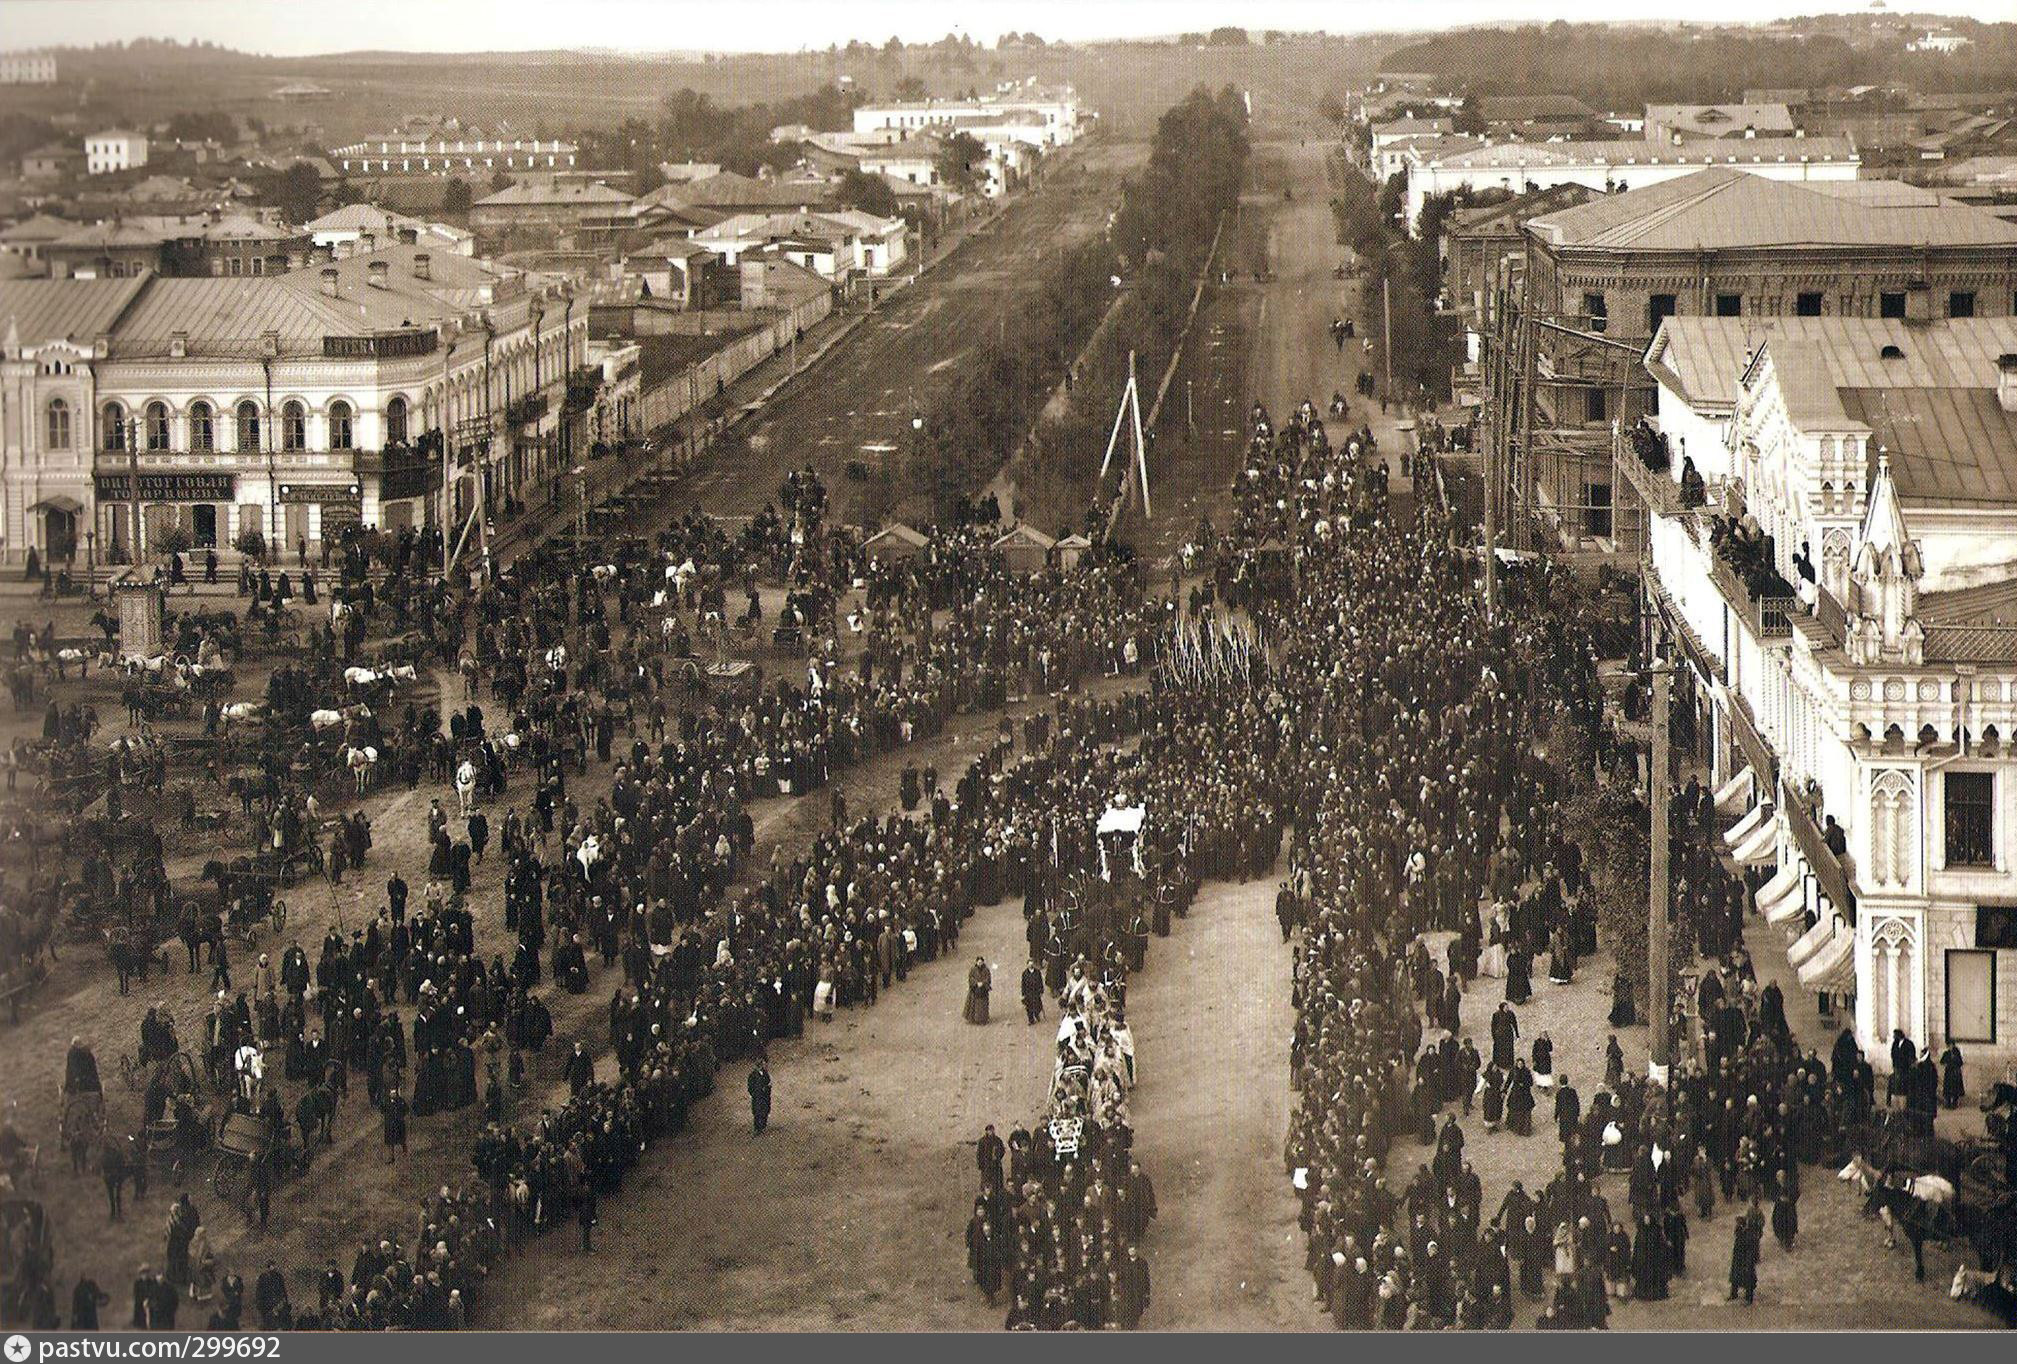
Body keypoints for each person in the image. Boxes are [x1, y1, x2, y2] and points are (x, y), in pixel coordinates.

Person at [1729, 1199, 1763, 1304]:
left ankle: (1748, 1298)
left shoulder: (1747, 1235)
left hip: (1745, 1261)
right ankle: (1735, 1294)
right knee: (1737, 1279)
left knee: (1746, 1279)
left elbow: (1750, 1249)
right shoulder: (1741, 1234)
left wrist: (1750, 1260)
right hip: (1739, 1260)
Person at [748, 1055, 772, 1135]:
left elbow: (768, 1082)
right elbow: (750, 1087)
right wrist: (755, 1093)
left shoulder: (765, 1073)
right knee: (757, 1112)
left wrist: (767, 1087)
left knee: (765, 1110)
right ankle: (757, 1128)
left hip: (765, 1097)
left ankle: (763, 1126)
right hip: (758, 1097)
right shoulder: (752, 1075)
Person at [965, 956, 991, 1025]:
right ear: (976, 962)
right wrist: (976, 983)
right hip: (975, 989)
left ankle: (983, 1019)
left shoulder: (986, 970)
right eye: (979, 962)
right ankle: (974, 1018)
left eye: (981, 962)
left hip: (983, 990)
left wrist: (983, 983)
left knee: (983, 1005)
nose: (980, 963)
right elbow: (971, 978)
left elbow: (988, 978)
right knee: (974, 1004)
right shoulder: (973, 969)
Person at [1021, 959, 1045, 1024]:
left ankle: (1037, 1015)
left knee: (1037, 1005)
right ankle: (1031, 1020)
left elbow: (1040, 982)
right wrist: (1023, 994)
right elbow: (1023, 984)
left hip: (1036, 992)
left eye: (1032, 964)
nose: (1031, 965)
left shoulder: (1037, 972)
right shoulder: (1024, 973)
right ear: (1027, 965)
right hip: (1028, 993)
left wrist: (1041, 990)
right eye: (1029, 964)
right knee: (1029, 1007)